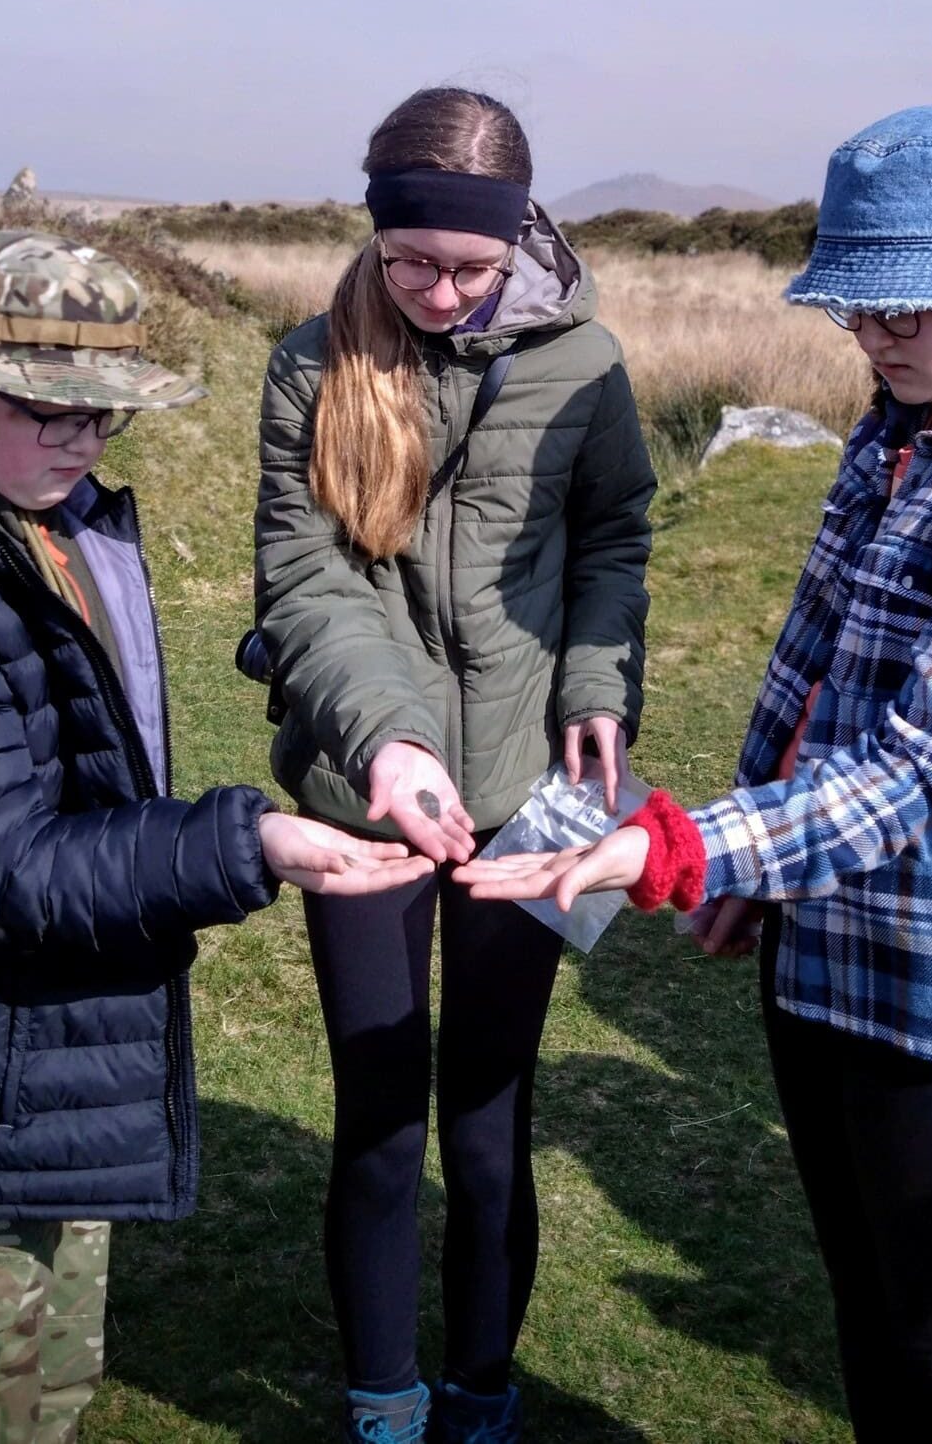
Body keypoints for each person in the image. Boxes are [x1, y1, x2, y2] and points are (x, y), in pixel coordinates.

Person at [456, 106, 932, 1444]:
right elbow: (810, 666)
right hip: (828, 938)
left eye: (908, 307)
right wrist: (754, 877)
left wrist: (690, 848)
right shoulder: (893, 426)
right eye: (857, 308)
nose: (874, 337)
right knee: (867, 1306)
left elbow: (930, 768)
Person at [0, 229, 432, 1442]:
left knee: (42, 1408)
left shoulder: (37, 523)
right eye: (44, 404)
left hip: (22, 1091)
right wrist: (250, 845)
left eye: (103, 412)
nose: (78, 435)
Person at [254, 87, 655, 1441]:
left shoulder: (587, 363)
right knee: (378, 1114)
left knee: (489, 1122)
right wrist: (389, 740)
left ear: (522, 237)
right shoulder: (311, 363)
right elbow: (304, 578)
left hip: (536, 802)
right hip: (363, 795)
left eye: (470, 267)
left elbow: (615, 540)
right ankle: (383, 1401)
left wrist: (599, 685)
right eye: (407, 261)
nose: (435, 291)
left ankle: (482, 1395)